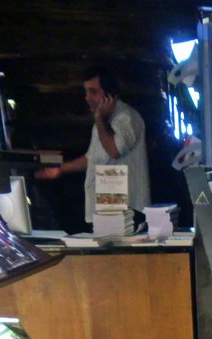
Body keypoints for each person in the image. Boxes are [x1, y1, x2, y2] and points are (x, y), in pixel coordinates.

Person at [36, 66, 150, 225]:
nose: (87, 97)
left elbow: (114, 150)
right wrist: (61, 170)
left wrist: (99, 119)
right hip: (107, 207)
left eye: (93, 92)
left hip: (126, 212)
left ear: (109, 94)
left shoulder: (127, 117)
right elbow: (93, 158)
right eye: (86, 92)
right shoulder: (101, 123)